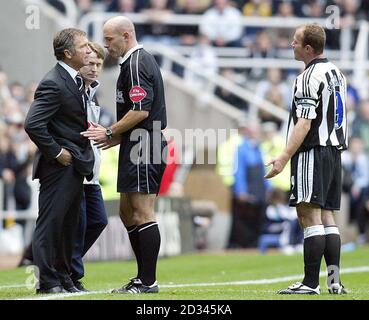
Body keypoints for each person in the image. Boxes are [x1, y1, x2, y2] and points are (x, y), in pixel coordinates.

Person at [81, 16, 167, 294]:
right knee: (127, 213)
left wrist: (109, 132)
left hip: (145, 144)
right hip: (136, 142)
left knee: (142, 212)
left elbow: (142, 110)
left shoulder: (137, 63)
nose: (106, 45)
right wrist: (118, 136)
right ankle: (142, 278)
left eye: (109, 39)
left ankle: (149, 281)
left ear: (126, 36)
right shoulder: (132, 63)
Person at [265, 23, 348, 295]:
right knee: (328, 218)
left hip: (312, 152)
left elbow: (304, 123)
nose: (291, 44)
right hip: (334, 153)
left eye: (295, 41)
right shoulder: (337, 73)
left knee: (308, 216)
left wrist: (284, 157)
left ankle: (310, 283)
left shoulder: (307, 78)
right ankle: (334, 282)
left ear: (308, 48)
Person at [24, 28, 94, 294]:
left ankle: (64, 278)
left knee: (68, 225)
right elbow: (33, 124)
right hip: (58, 166)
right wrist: (56, 152)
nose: (89, 50)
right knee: (51, 222)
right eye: (84, 46)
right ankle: (48, 281)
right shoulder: (54, 82)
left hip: (74, 164)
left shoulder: (73, 80)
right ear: (68, 53)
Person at [70, 42, 109, 291]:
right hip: (76, 170)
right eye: (90, 63)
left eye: (98, 64)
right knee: (79, 223)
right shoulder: (72, 90)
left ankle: (65, 266)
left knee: (98, 221)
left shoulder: (91, 92)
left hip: (91, 173)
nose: (94, 69)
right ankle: (71, 274)